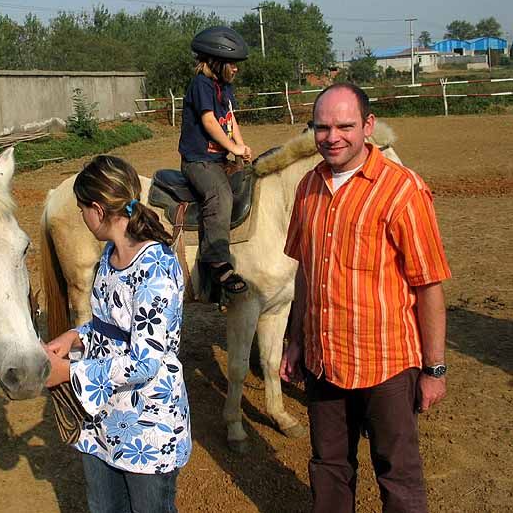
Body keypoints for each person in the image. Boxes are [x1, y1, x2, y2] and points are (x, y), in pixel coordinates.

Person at [279, 83, 452, 513]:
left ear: (368, 126)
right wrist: (297, 341)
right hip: (325, 360)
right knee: (329, 466)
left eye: (344, 125)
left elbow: (428, 285)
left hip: (387, 363)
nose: (332, 136)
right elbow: (306, 270)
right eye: (322, 127)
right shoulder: (307, 188)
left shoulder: (403, 190)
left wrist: (434, 368)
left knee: (398, 473)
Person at [45, 155, 191, 513]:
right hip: (104, 417)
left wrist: (70, 373)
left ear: (97, 209)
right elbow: (107, 324)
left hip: (147, 424)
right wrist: (75, 337)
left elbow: (144, 362)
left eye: (82, 209)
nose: (81, 216)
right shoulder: (110, 255)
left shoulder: (156, 269)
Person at [178, 26, 253, 296]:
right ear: (216, 62)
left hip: (219, 158)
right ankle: (216, 261)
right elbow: (210, 121)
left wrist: (240, 149)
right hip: (198, 162)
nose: (236, 69)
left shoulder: (225, 87)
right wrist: (232, 146)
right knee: (219, 194)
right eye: (233, 64)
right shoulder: (201, 85)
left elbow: (230, 119)